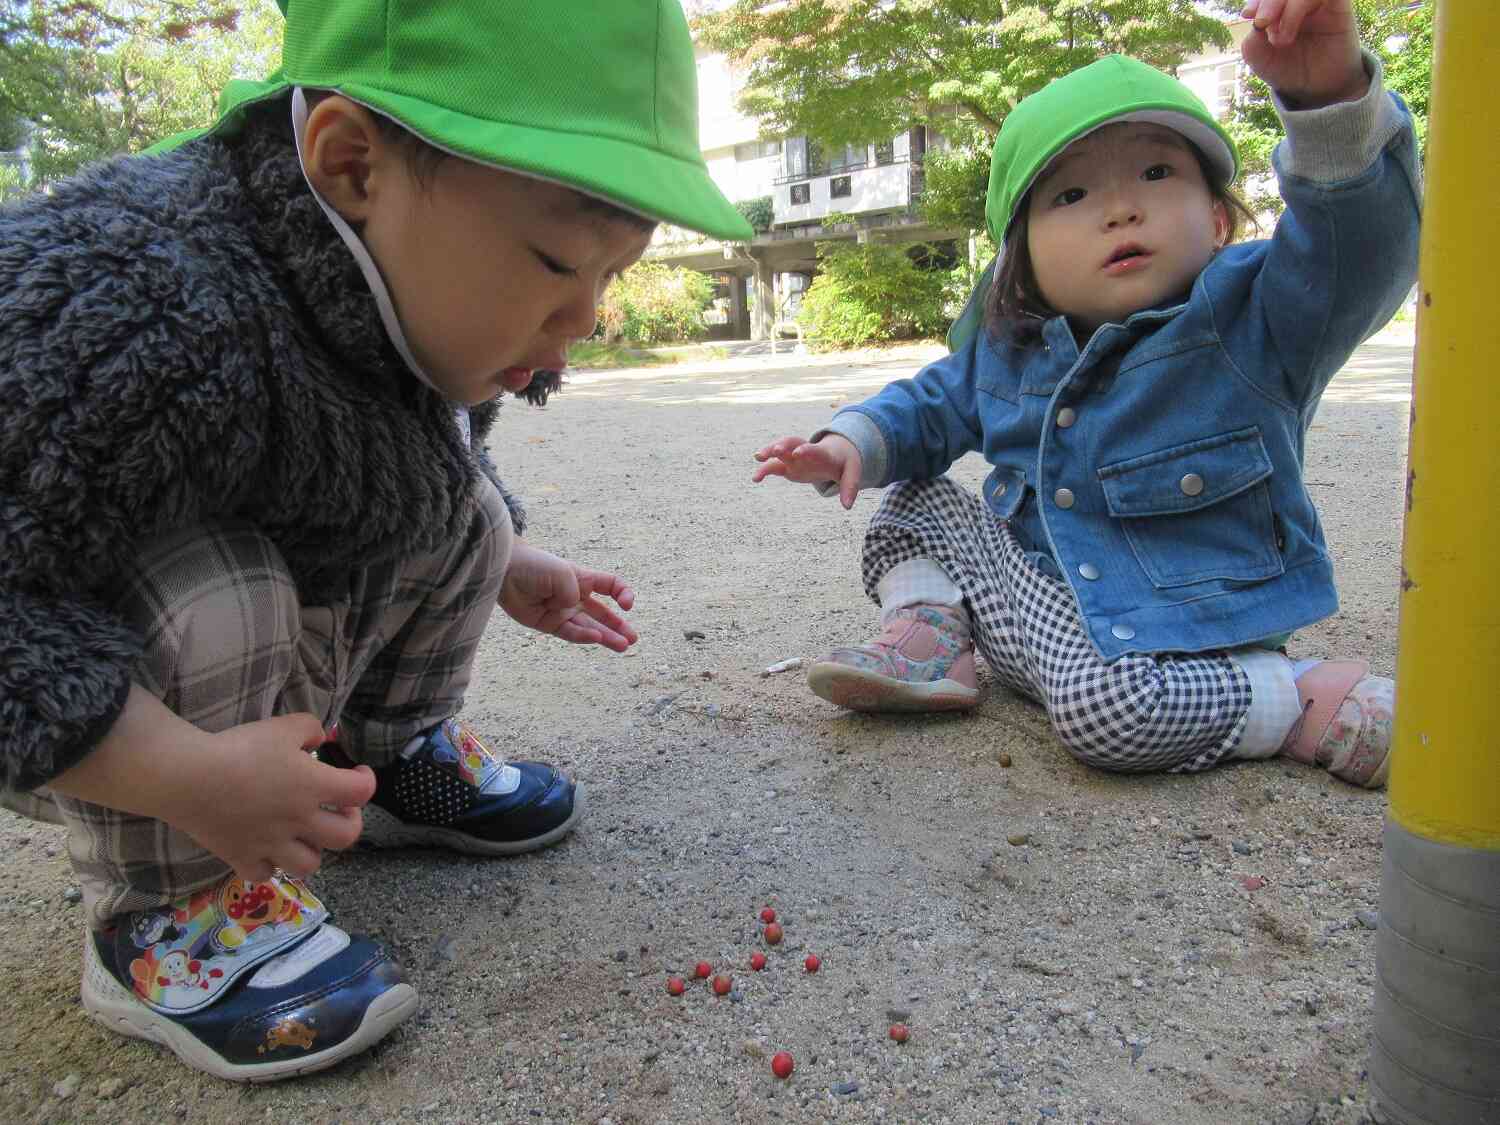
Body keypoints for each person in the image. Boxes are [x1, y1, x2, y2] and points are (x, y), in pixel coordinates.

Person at [0, 0, 752, 1082]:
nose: (586, 319)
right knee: (221, 581)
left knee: (470, 507)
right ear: (353, 164)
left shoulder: (386, 276)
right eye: (554, 261)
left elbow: (418, 451)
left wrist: (506, 562)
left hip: (236, 664)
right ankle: (169, 902)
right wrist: (187, 775)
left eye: (612, 275)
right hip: (82, 687)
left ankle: (385, 759)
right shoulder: (135, 298)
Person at [752, 0, 1419, 790]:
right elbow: (929, 404)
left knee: (1105, 711)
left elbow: (1360, 254)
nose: (1119, 207)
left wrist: (1330, 102)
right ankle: (933, 635)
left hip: (1168, 645)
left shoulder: (1258, 317)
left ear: (1215, 218)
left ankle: (1298, 697)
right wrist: (846, 445)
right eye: (1070, 197)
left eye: (1155, 172)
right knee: (915, 495)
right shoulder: (1009, 351)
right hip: (1034, 611)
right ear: (1020, 261)